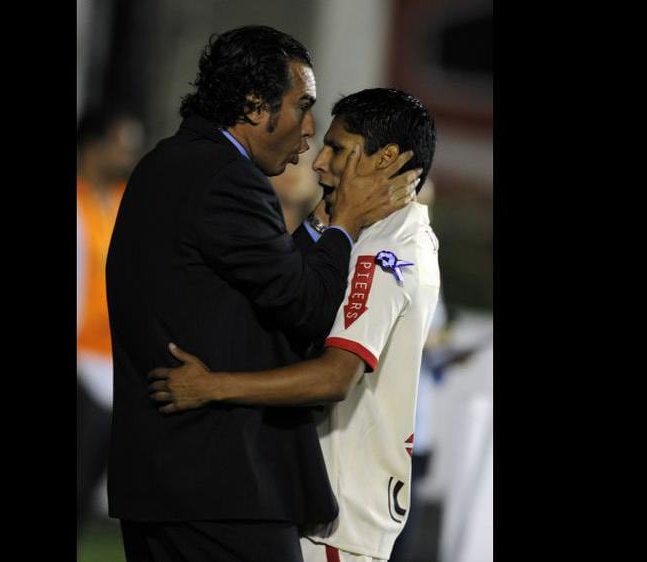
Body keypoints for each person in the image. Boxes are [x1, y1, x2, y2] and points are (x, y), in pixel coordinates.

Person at [105, 27, 422, 562]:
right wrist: (344, 221)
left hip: (160, 481)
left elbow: (266, 278)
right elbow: (309, 307)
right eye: (302, 107)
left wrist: (322, 220)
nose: (309, 133)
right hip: (222, 487)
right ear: (255, 105)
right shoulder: (229, 179)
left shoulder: (166, 162)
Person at [76, 106, 144, 535]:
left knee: (88, 483)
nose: (128, 156)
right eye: (121, 146)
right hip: (80, 360)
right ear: (94, 145)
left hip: (113, 361)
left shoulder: (125, 201)